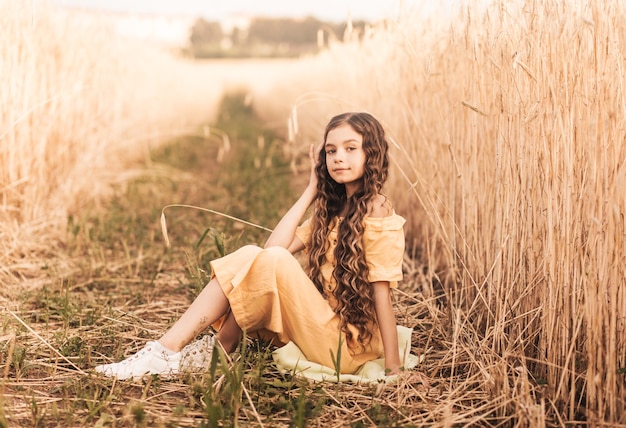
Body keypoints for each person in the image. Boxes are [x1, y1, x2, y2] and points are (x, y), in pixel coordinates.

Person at [95, 112, 421, 382]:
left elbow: (382, 293)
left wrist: (392, 370)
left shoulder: (378, 210)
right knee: (257, 255)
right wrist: (312, 189)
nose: (339, 158)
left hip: (349, 347)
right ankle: (171, 350)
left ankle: (188, 351)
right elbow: (272, 247)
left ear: (372, 154)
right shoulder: (335, 212)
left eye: (351, 148)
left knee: (271, 260)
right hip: (324, 329)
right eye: (331, 151)